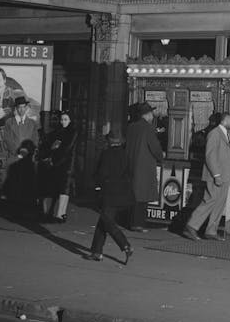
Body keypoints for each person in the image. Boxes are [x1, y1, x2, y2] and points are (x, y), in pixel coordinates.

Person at [183, 111, 230, 241]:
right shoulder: (215, 134)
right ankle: (192, 226)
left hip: (225, 176)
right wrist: (216, 174)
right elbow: (210, 155)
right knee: (210, 200)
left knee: (219, 203)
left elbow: (229, 157)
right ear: (225, 120)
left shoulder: (225, 135)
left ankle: (211, 230)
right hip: (216, 175)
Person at [87, 128, 134, 264]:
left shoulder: (106, 154)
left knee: (107, 221)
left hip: (109, 193)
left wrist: (96, 185)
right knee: (103, 221)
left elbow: (101, 174)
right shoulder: (125, 154)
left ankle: (125, 245)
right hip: (122, 193)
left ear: (109, 141)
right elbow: (130, 173)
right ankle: (96, 251)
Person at [124, 102, 163, 232]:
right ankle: (138, 224)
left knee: (134, 196)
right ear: (147, 115)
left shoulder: (131, 127)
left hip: (132, 165)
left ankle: (131, 222)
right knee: (142, 197)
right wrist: (161, 157)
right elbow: (155, 148)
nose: (152, 116)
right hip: (144, 167)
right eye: (151, 113)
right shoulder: (148, 128)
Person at [37, 110, 77, 222]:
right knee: (59, 187)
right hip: (58, 162)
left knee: (65, 187)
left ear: (70, 120)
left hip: (67, 163)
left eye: (65, 119)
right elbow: (52, 145)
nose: (63, 122)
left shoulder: (72, 131)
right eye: (62, 119)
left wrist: (54, 155)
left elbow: (66, 148)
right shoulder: (59, 131)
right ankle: (58, 213)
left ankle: (61, 213)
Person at [2, 139, 37, 215]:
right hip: (28, 204)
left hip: (14, 203)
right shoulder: (33, 167)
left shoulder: (14, 165)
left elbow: (7, 183)